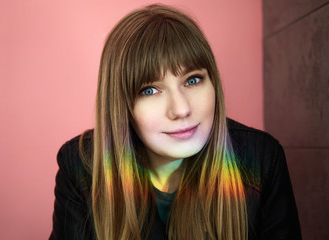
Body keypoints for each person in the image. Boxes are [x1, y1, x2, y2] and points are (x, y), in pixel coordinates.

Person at [50, 4, 301, 240]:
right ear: (121, 105)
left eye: (192, 80)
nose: (181, 109)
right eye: (149, 90)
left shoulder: (262, 159)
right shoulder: (82, 167)